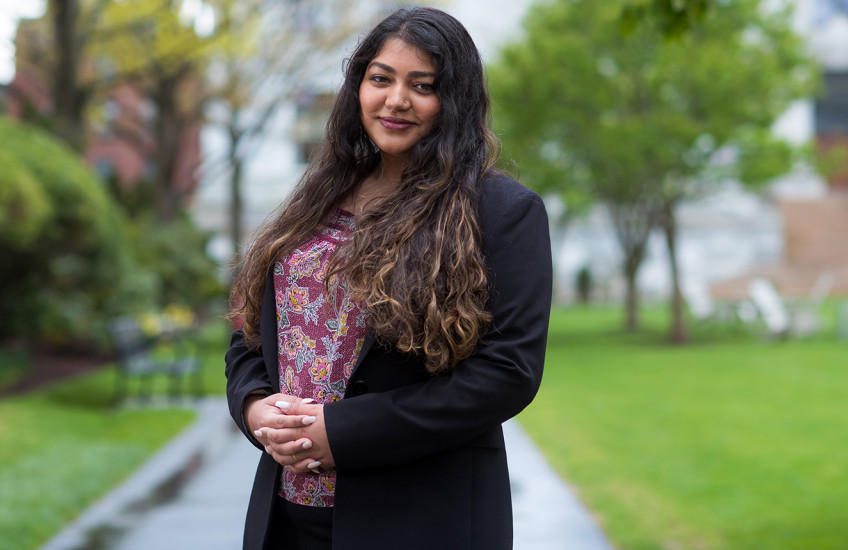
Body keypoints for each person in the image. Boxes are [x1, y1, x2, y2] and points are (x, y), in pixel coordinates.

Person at [225, 7, 552, 550]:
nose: (396, 100)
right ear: (359, 88)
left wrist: (342, 432)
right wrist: (256, 407)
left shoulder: (500, 211)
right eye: (381, 79)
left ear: (456, 101)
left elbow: (507, 372)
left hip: (420, 517)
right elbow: (250, 335)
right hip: (288, 516)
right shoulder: (316, 198)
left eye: (421, 86)